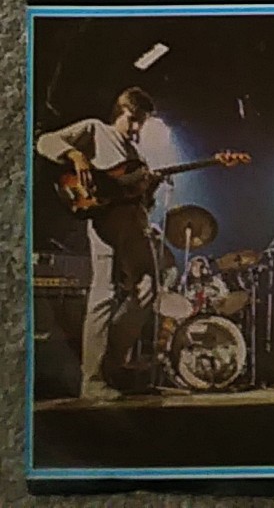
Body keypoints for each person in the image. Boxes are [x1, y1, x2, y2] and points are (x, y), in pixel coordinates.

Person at [36, 88, 161, 401]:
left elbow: (142, 201)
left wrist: (151, 188)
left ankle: (109, 365)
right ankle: (92, 379)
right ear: (119, 112)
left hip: (134, 225)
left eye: (141, 122)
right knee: (103, 292)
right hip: (105, 221)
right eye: (132, 119)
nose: (136, 127)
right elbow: (45, 141)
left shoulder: (137, 156)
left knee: (149, 288)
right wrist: (75, 154)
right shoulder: (96, 130)